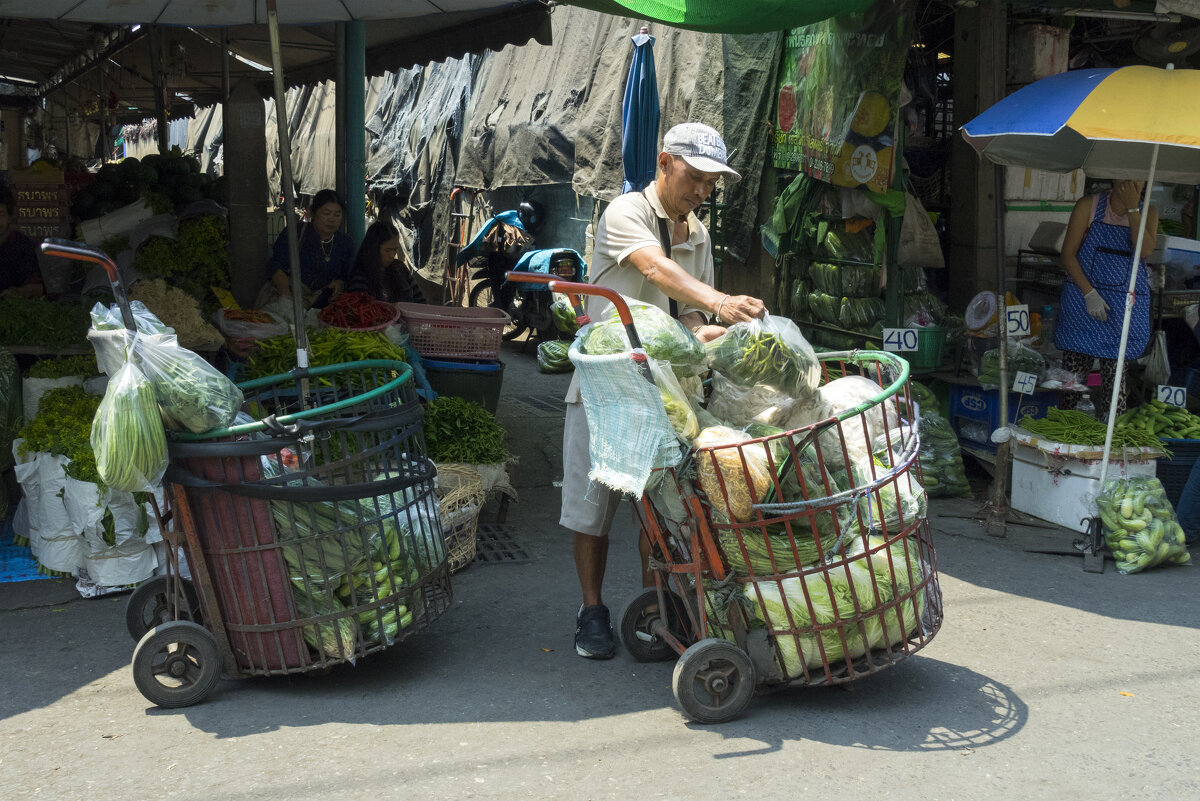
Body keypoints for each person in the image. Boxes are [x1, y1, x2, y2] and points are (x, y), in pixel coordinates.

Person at [562, 122, 766, 659]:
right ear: (664, 163)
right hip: (607, 385)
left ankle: (658, 603)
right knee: (593, 508)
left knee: (664, 510)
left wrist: (711, 330)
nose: (701, 191)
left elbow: (692, 314)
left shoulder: (697, 234)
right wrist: (721, 301)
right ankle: (592, 609)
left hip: (670, 396)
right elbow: (654, 268)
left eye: (710, 183)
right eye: (694, 177)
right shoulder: (625, 211)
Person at [1056, 179, 1158, 420]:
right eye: (1128, 178)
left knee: (1114, 384)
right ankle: (1066, 435)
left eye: (1140, 179)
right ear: (1115, 178)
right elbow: (1068, 255)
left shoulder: (1148, 212)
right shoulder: (1088, 206)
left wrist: (1133, 209)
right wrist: (1089, 293)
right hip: (1083, 303)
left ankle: (1108, 441)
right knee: (1072, 381)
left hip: (1122, 309)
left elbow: (1143, 251)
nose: (1134, 183)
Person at [263, 189, 355, 308]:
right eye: (326, 213)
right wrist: (285, 295)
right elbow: (276, 265)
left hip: (324, 305)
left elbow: (345, 275)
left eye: (337, 215)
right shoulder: (295, 233)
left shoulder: (345, 242)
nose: (332, 219)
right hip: (290, 297)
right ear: (313, 212)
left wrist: (339, 283)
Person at [347, 219, 425, 304]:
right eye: (387, 250)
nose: (392, 255)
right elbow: (359, 309)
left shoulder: (400, 268)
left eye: (395, 249)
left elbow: (421, 301)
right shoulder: (360, 277)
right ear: (373, 249)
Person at [0, 186, 44, 299]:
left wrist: (18, 292)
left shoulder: (19, 243)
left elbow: (38, 288)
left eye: (1, 214)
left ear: (10, 217)